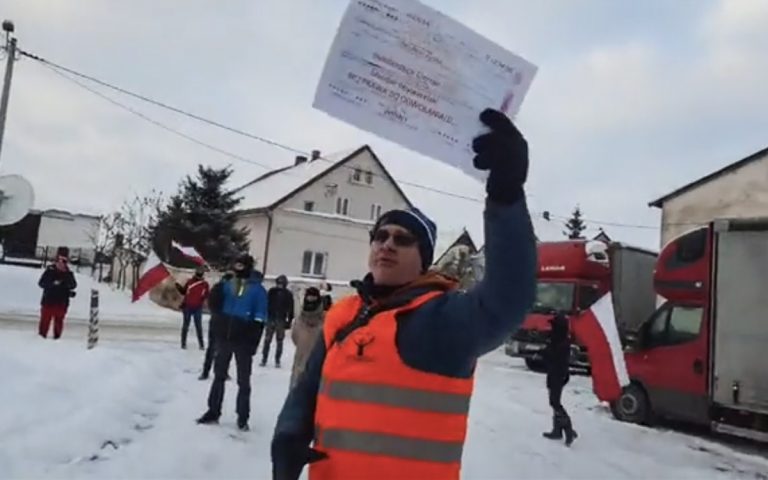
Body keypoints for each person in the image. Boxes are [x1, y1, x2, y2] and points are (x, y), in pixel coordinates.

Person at [271, 109, 537, 480]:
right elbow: (309, 387)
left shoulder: (443, 319)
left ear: (424, 259)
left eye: (402, 239)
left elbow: (509, 299)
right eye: (380, 236)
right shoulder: (343, 314)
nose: (387, 245)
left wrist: (506, 197)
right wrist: (289, 431)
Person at [196, 254, 267, 431]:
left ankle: (242, 417)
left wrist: (253, 343)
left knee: (244, 381)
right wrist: (216, 290)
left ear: (248, 267)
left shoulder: (258, 290)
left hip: (244, 340)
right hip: (225, 337)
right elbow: (215, 305)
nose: (238, 268)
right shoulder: (227, 285)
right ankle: (213, 411)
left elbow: (260, 319)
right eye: (236, 264)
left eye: (241, 265)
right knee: (218, 375)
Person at [542, 311, 578, 446]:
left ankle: (568, 429)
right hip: (555, 374)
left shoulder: (562, 342)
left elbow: (554, 358)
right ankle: (557, 430)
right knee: (554, 401)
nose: (551, 328)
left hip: (558, 374)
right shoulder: (558, 339)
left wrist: (546, 353)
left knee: (555, 402)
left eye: (554, 326)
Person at [289, 287, 325, 388]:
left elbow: (295, 338)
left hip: (302, 366)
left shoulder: (299, 321)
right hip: (317, 369)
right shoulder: (327, 321)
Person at [199, 271, 233, 380]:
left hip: (216, 319)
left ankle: (206, 372)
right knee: (225, 348)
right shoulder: (232, 291)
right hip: (226, 321)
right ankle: (222, 371)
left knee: (212, 347)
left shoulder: (216, 288)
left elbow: (211, 303)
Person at [38, 248, 77, 339]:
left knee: (59, 321)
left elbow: (73, 285)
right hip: (48, 301)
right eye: (59, 260)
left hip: (61, 303)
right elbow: (41, 283)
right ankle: (41, 337)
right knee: (45, 321)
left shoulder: (68, 273)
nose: (61, 263)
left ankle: (57, 338)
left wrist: (66, 276)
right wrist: (52, 284)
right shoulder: (50, 271)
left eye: (64, 261)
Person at [261, 274, 295, 368]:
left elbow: (291, 308)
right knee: (267, 340)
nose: (280, 285)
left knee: (279, 341)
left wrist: (289, 321)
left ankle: (277, 360)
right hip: (271, 317)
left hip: (281, 319)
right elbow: (266, 304)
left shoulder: (288, 294)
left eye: (282, 283)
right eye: (279, 283)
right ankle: (264, 358)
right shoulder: (272, 292)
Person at [176, 266, 210, 350]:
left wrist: (179, 287)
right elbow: (206, 295)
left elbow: (184, 292)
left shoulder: (193, 282)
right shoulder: (204, 284)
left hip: (191, 307)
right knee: (196, 326)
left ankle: (186, 344)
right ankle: (199, 345)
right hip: (194, 307)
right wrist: (178, 286)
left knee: (188, 326)